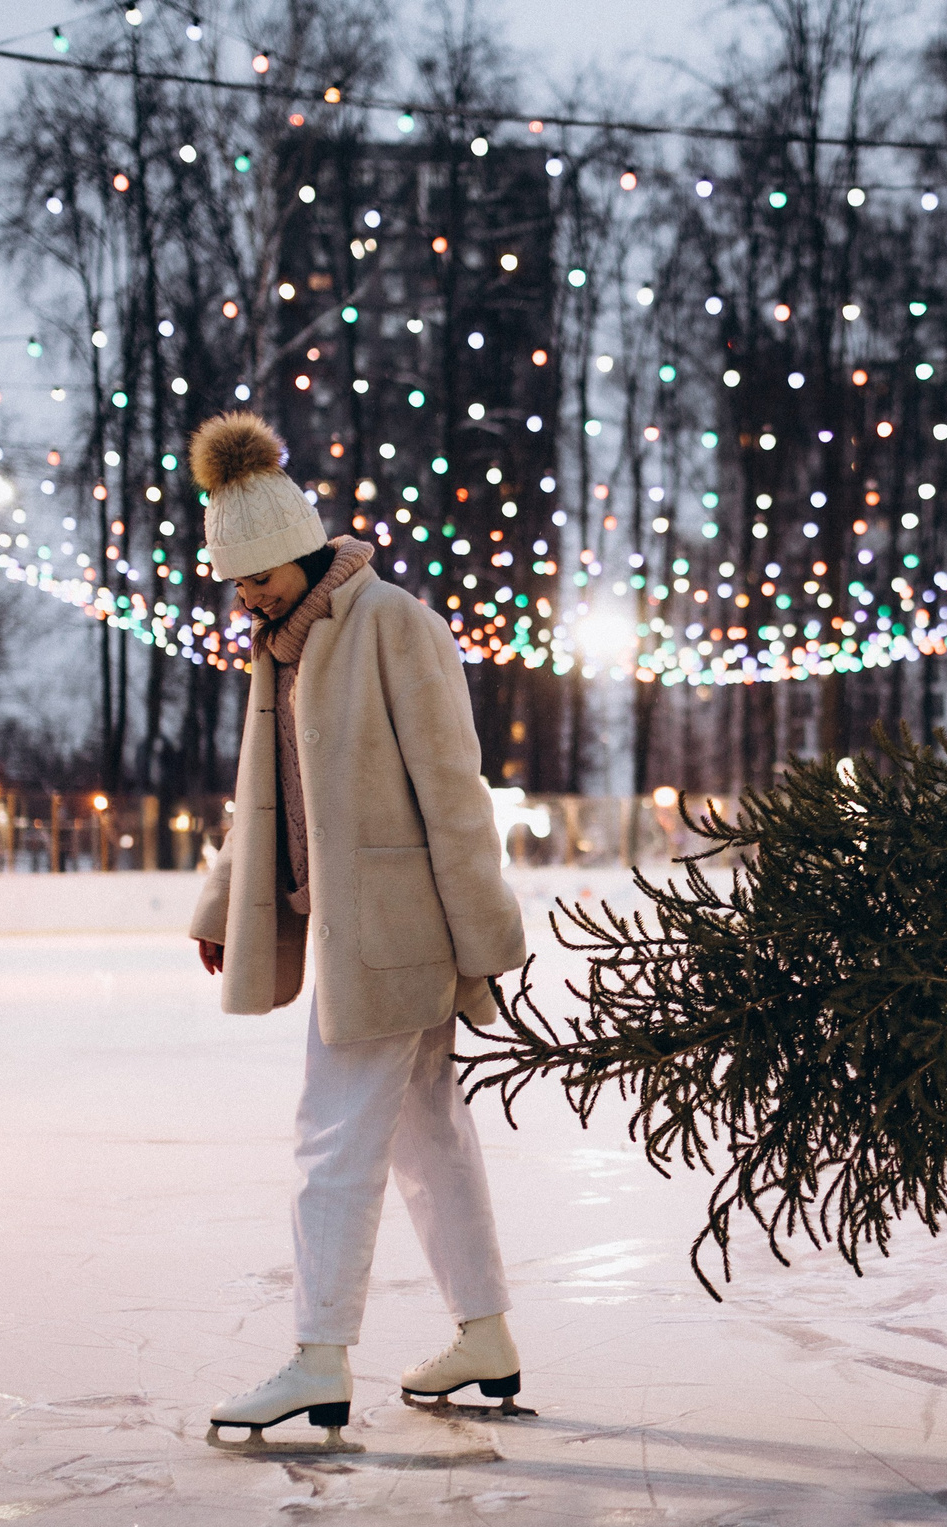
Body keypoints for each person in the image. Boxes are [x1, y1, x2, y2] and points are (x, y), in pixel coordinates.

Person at [182, 412, 534, 1453]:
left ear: (296, 553)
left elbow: (455, 794)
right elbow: (266, 799)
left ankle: (319, 1356)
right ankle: (485, 1335)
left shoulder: (392, 624)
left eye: (255, 580)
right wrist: (221, 904)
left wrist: (488, 939)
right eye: (235, 586)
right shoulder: (282, 650)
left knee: (331, 1138)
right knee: (429, 1138)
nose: (244, 600)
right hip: (349, 930)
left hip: (396, 934)